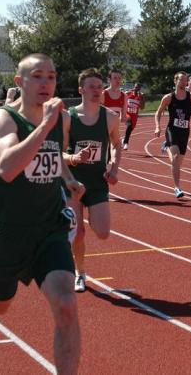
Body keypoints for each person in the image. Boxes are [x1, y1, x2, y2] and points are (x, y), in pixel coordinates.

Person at [0, 53, 84, 375]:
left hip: (50, 230)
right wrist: (45, 124)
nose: (46, 83)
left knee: (66, 304)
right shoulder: (4, 119)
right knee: (0, 304)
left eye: (51, 76)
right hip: (11, 232)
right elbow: (6, 168)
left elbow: (54, 154)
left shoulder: (58, 118)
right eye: (37, 76)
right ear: (20, 83)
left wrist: (69, 179)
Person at [66, 68, 122, 293]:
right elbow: (56, 153)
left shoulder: (110, 117)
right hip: (73, 183)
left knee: (103, 232)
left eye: (99, 87)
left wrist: (114, 169)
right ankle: (80, 274)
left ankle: (79, 218)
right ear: (81, 89)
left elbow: (117, 145)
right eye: (91, 86)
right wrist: (74, 158)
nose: (97, 91)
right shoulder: (68, 117)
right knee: (78, 233)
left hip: (98, 182)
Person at [154, 71, 191, 198]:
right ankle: (177, 188)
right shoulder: (168, 98)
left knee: (178, 162)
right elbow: (158, 112)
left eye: (185, 80)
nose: (183, 82)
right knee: (175, 158)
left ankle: (166, 146)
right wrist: (158, 126)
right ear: (175, 81)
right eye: (181, 80)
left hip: (185, 132)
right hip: (172, 130)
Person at [122, 83, 145, 150]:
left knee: (131, 128)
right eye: (136, 87)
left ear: (140, 89)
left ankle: (124, 139)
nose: (136, 89)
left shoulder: (141, 96)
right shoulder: (128, 93)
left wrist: (141, 98)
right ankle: (126, 143)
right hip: (127, 113)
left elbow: (142, 107)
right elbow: (122, 98)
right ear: (134, 87)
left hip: (134, 115)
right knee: (129, 126)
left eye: (138, 88)